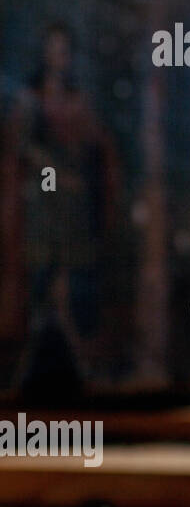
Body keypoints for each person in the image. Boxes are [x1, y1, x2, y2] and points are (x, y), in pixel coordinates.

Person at [0, 23, 121, 394]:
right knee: (39, 286)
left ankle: (83, 364)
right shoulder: (28, 100)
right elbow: (20, 148)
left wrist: (82, 175)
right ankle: (26, 366)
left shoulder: (79, 101)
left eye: (65, 50)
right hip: (41, 207)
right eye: (54, 49)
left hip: (73, 210)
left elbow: (97, 148)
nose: (59, 57)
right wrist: (51, 170)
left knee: (71, 286)